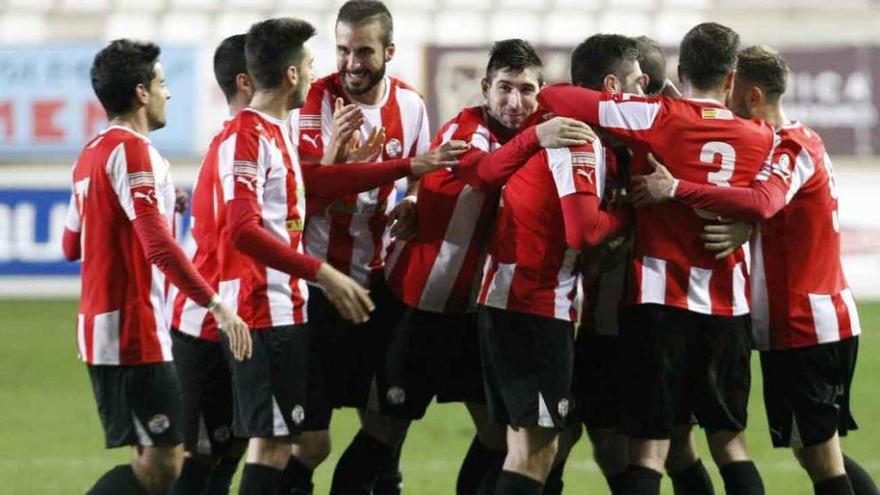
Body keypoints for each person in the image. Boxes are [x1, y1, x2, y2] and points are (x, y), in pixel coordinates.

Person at [538, 22, 776, 495]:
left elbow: (558, 97)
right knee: (728, 444)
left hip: (656, 305)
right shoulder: (762, 136)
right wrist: (744, 221)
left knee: (648, 450)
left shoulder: (656, 117)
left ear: (680, 71)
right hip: (726, 310)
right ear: (731, 79)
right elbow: (770, 201)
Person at [630, 45, 879, 495]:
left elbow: (764, 202)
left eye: (730, 87)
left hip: (807, 323)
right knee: (816, 452)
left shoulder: (788, 147)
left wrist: (676, 188)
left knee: (822, 459)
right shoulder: (791, 141)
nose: (722, 97)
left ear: (750, 96)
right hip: (806, 320)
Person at [382, 39, 596, 495]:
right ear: (484, 87)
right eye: (504, 88)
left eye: (526, 90)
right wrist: (536, 137)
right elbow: (484, 173)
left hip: (478, 309)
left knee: (500, 436)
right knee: (386, 432)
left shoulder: (542, 131)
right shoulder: (468, 127)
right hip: (422, 302)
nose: (514, 102)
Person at [61, 38, 250, 495]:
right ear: (141, 93)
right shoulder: (133, 151)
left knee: (153, 456)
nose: (168, 94)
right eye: (162, 84)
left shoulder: (92, 152)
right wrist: (216, 305)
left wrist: (163, 205)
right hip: (132, 328)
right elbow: (158, 247)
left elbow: (71, 244)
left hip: (99, 326)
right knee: (163, 465)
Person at [293, 2, 431, 493]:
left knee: (386, 421)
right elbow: (300, 198)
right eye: (343, 50)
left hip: (377, 284)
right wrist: (336, 158)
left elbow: (420, 176)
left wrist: (413, 202)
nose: (351, 62)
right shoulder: (311, 102)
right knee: (309, 441)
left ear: (389, 51)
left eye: (364, 51)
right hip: (315, 288)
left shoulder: (411, 106)